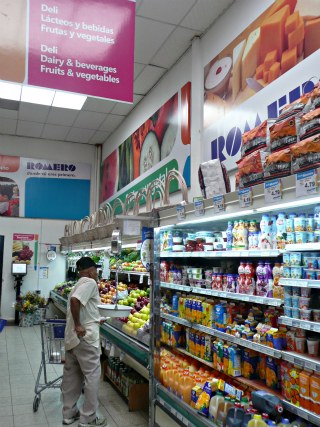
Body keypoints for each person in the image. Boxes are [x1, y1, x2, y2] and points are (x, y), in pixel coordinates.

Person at [62, 256, 107, 427]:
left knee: (72, 376)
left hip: (72, 338)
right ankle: (88, 418)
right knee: (92, 376)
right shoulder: (90, 282)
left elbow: (82, 306)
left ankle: (68, 414)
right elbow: (75, 301)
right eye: (96, 270)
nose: (97, 274)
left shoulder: (78, 283)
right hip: (85, 338)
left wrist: (95, 318)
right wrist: (80, 325)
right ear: (90, 271)